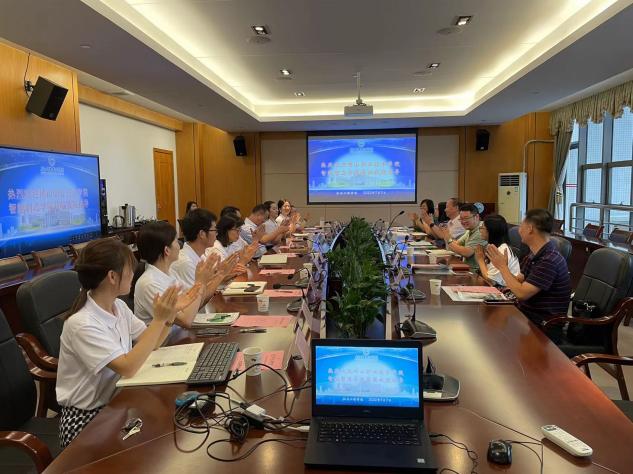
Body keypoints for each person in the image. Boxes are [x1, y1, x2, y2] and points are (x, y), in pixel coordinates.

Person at [56, 238, 179, 447]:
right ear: (112, 276)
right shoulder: (82, 323)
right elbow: (127, 366)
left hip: (117, 404)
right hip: (86, 418)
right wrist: (159, 319)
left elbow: (154, 342)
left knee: (165, 425)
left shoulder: (118, 307)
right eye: (129, 269)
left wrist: (169, 315)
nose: (133, 273)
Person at [486, 208, 572, 337]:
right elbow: (518, 281)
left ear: (530, 228)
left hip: (543, 326)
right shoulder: (533, 255)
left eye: (521, 226)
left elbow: (521, 293)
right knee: (489, 322)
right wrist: (503, 269)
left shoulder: (549, 260)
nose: (519, 230)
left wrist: (502, 267)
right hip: (526, 316)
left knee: (492, 332)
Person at [134, 221, 214, 329]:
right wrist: (200, 282)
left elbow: (196, 304)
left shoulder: (170, 273)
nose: (180, 246)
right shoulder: (149, 283)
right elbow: (186, 320)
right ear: (167, 250)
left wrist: (204, 282)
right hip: (169, 339)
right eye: (176, 241)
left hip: (180, 335)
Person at [170, 208, 241, 290]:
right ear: (202, 234)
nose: (217, 234)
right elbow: (199, 295)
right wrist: (221, 275)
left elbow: (210, 285)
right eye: (214, 230)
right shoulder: (186, 262)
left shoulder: (201, 255)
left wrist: (223, 275)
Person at [436, 203, 487, 270]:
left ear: (476, 217)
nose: (463, 221)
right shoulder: (470, 229)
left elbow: (466, 252)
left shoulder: (481, 230)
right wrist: (447, 235)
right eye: (461, 219)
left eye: (466, 218)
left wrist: (448, 239)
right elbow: (457, 244)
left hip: (476, 271)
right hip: (467, 267)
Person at [474, 214, 520, 286]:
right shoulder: (492, 246)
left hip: (504, 290)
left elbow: (491, 281)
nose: (480, 231)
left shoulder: (502, 250)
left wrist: (480, 259)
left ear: (491, 231)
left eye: (482, 228)